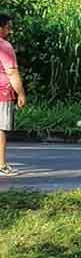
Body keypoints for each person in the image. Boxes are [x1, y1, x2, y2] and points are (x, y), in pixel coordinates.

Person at [0, 15, 26, 176]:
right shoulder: (4, 46)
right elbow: (11, 72)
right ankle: (1, 165)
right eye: (8, 27)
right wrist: (21, 93)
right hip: (2, 92)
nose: (10, 31)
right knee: (0, 129)